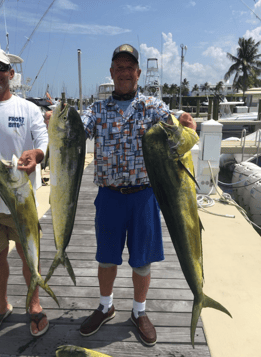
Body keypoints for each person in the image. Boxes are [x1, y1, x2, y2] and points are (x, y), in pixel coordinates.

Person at [79, 44, 197, 346]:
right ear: (111, 72)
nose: (124, 72)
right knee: (106, 258)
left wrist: (185, 120)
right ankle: (105, 306)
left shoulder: (153, 106)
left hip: (145, 194)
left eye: (129, 67)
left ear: (138, 72)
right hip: (109, 195)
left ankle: (139, 311)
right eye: (118, 66)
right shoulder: (97, 109)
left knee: (142, 260)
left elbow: (175, 124)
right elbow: (79, 128)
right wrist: (59, 121)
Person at [0, 47, 49, 336]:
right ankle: (2, 305)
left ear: (11, 74)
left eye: (0, 68)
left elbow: (43, 138)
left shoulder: (27, 108)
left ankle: (34, 305)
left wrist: (37, 154)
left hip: (22, 200)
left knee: (31, 258)